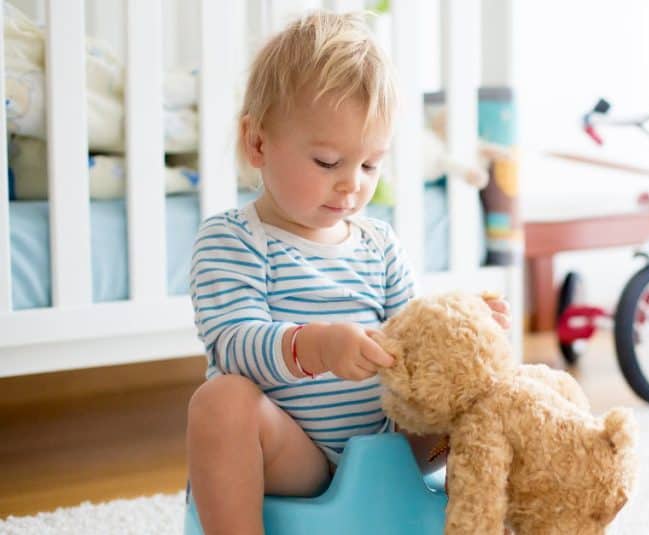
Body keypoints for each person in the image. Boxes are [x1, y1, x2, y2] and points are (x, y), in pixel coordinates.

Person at [185, 11, 509, 534]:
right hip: (296, 457)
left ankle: (479, 521)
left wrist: (465, 328)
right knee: (221, 403)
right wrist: (316, 348)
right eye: (328, 161)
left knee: (488, 394)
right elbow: (233, 343)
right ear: (258, 144)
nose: (351, 186)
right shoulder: (234, 239)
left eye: (368, 165)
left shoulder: (379, 244)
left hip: (391, 448)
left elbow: (414, 337)